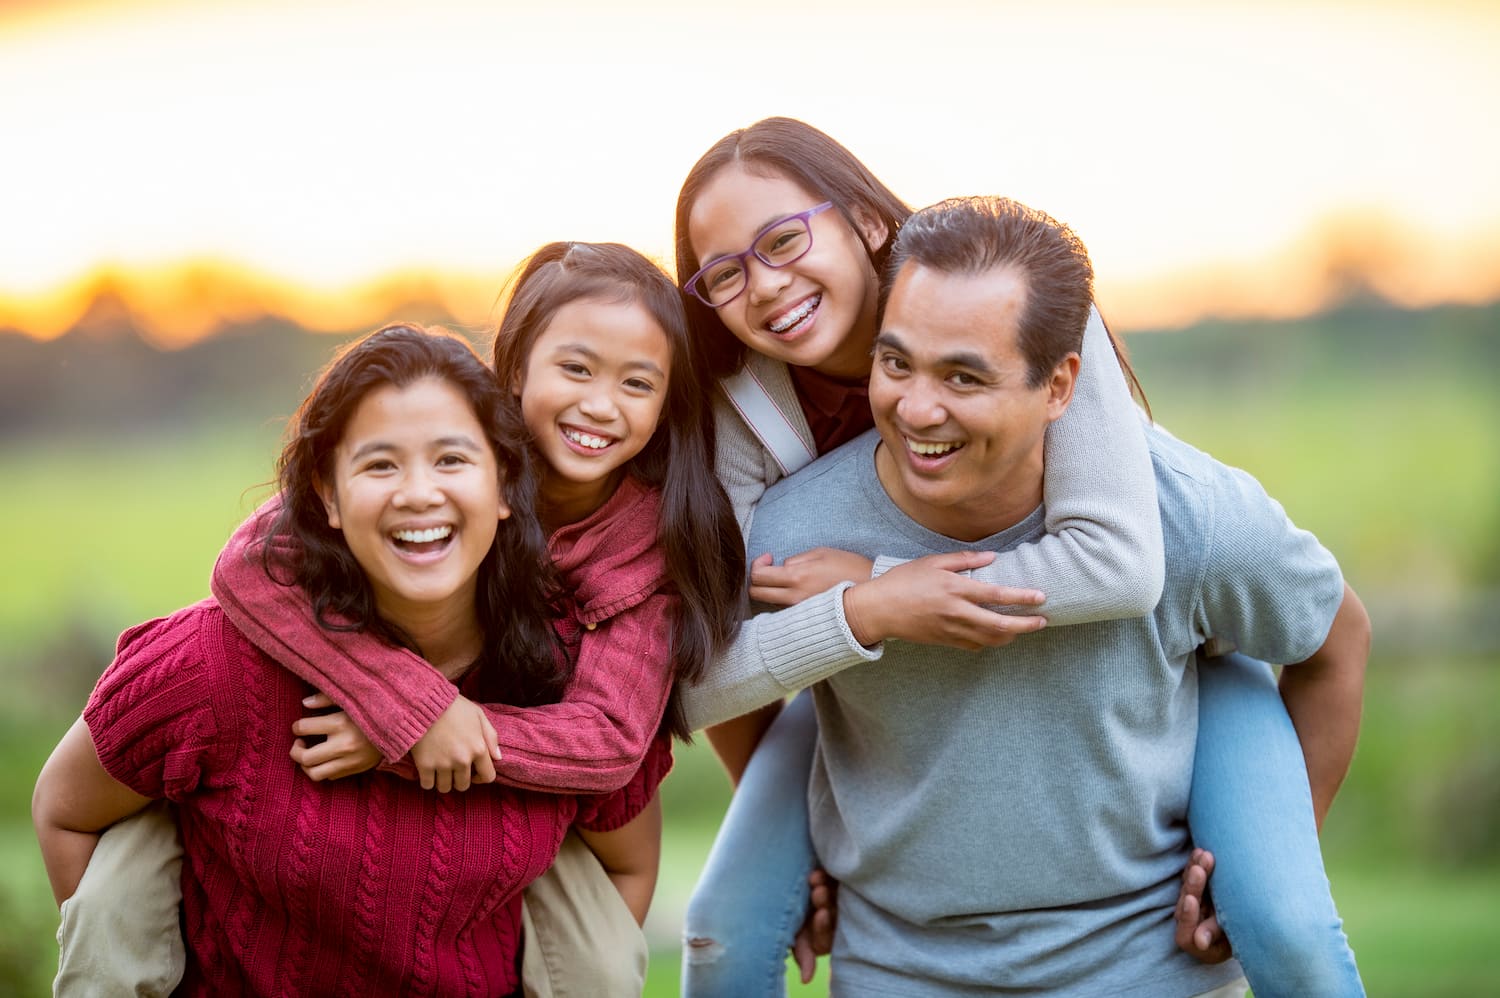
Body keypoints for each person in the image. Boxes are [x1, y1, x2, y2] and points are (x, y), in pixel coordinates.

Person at [672, 120, 1365, 997]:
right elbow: (716, 650)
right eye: (725, 272)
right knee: (723, 925)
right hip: (855, 670)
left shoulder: (1014, 297)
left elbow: (1123, 566)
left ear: (865, 222)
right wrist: (818, 814)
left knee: (1289, 923)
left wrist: (878, 586)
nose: (765, 286)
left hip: (1162, 663)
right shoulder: (742, 414)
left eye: (782, 240)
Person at [44, 243, 747, 996]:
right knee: (135, 851)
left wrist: (425, 734)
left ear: (503, 485)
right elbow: (245, 564)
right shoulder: (215, 663)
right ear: (328, 496)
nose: (420, 493)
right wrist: (404, 703)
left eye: (451, 462)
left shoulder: (610, 614)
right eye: (381, 466)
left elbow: (611, 777)